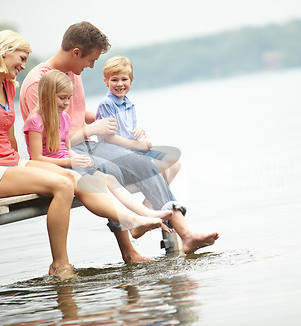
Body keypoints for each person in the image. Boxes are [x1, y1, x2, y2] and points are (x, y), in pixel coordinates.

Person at [20, 22, 219, 260]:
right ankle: (135, 244)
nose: (92, 66)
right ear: (76, 52)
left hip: (88, 142)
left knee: (144, 162)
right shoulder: (38, 83)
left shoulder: (73, 73)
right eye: (90, 60)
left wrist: (111, 120)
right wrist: (90, 129)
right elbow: (52, 138)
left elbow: (75, 114)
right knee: (110, 170)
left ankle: (183, 231)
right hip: (66, 152)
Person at [0, 30, 77, 279]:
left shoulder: (9, 86)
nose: (22, 65)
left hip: (10, 164)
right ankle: (60, 265)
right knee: (62, 186)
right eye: (20, 58)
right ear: (4, 51)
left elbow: (10, 136)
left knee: (70, 177)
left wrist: (24, 165)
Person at [23, 69, 174, 238]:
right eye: (62, 98)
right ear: (48, 95)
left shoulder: (63, 118)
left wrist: (77, 158)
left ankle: (145, 213)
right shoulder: (35, 122)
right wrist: (69, 162)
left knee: (109, 178)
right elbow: (36, 158)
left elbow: (66, 149)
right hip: (50, 169)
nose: (66, 103)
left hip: (68, 163)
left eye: (68, 98)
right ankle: (136, 219)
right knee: (100, 181)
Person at [96, 56, 181, 185]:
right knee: (158, 166)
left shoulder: (129, 104)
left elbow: (128, 130)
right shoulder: (107, 104)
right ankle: (157, 201)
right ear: (106, 82)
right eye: (114, 80)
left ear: (131, 81)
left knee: (174, 161)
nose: (119, 84)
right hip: (116, 156)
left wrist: (138, 131)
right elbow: (109, 138)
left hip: (132, 151)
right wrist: (138, 145)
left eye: (124, 79)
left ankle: (151, 204)